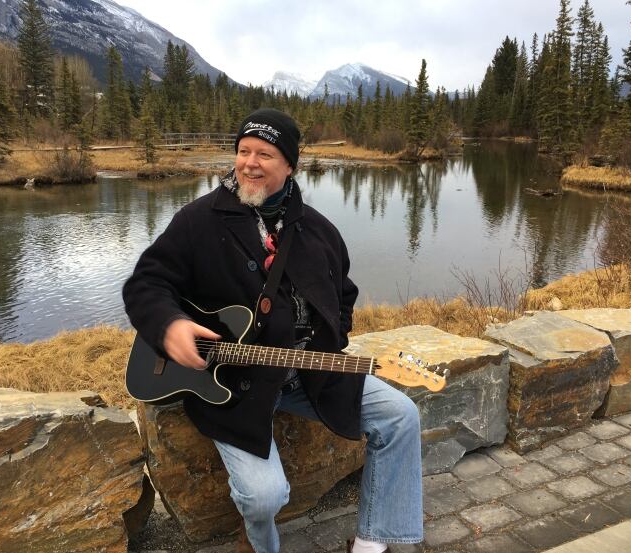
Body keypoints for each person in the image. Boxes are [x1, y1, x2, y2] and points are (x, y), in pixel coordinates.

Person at [123, 108, 422, 553]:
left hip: (305, 371)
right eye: (243, 151)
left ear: (291, 166)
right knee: (265, 497)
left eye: (264, 153)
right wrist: (170, 325)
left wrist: (328, 340)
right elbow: (147, 283)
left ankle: (371, 544)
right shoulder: (198, 221)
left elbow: (344, 293)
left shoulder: (320, 231)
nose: (249, 163)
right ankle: (260, 546)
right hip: (230, 385)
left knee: (401, 416)